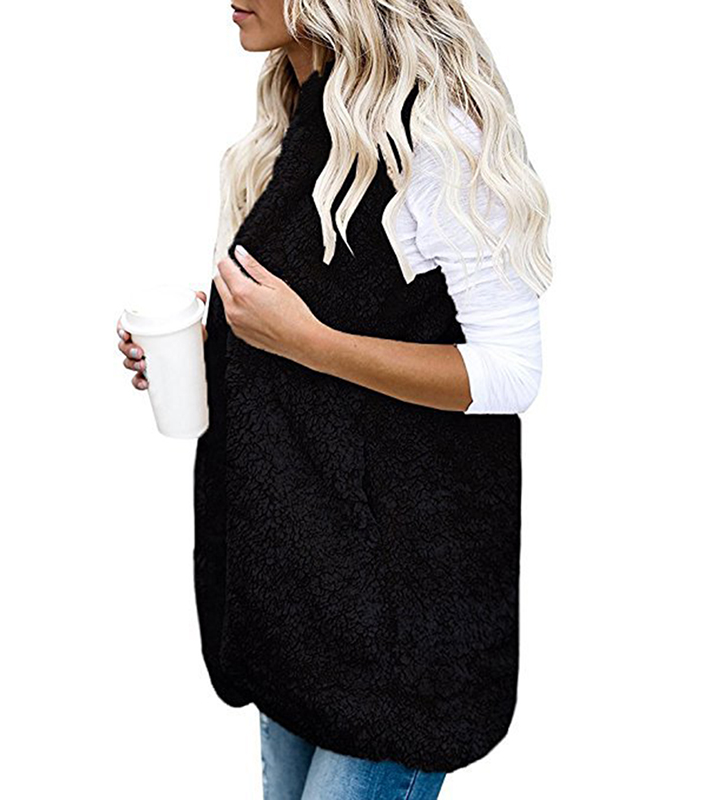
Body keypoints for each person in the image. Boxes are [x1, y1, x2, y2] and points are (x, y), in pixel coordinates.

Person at [118, 1, 551, 797]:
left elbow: (510, 371)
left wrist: (307, 341)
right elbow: (328, 325)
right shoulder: (301, 124)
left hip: (401, 629)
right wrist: (212, 348)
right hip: (304, 603)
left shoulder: (434, 134)